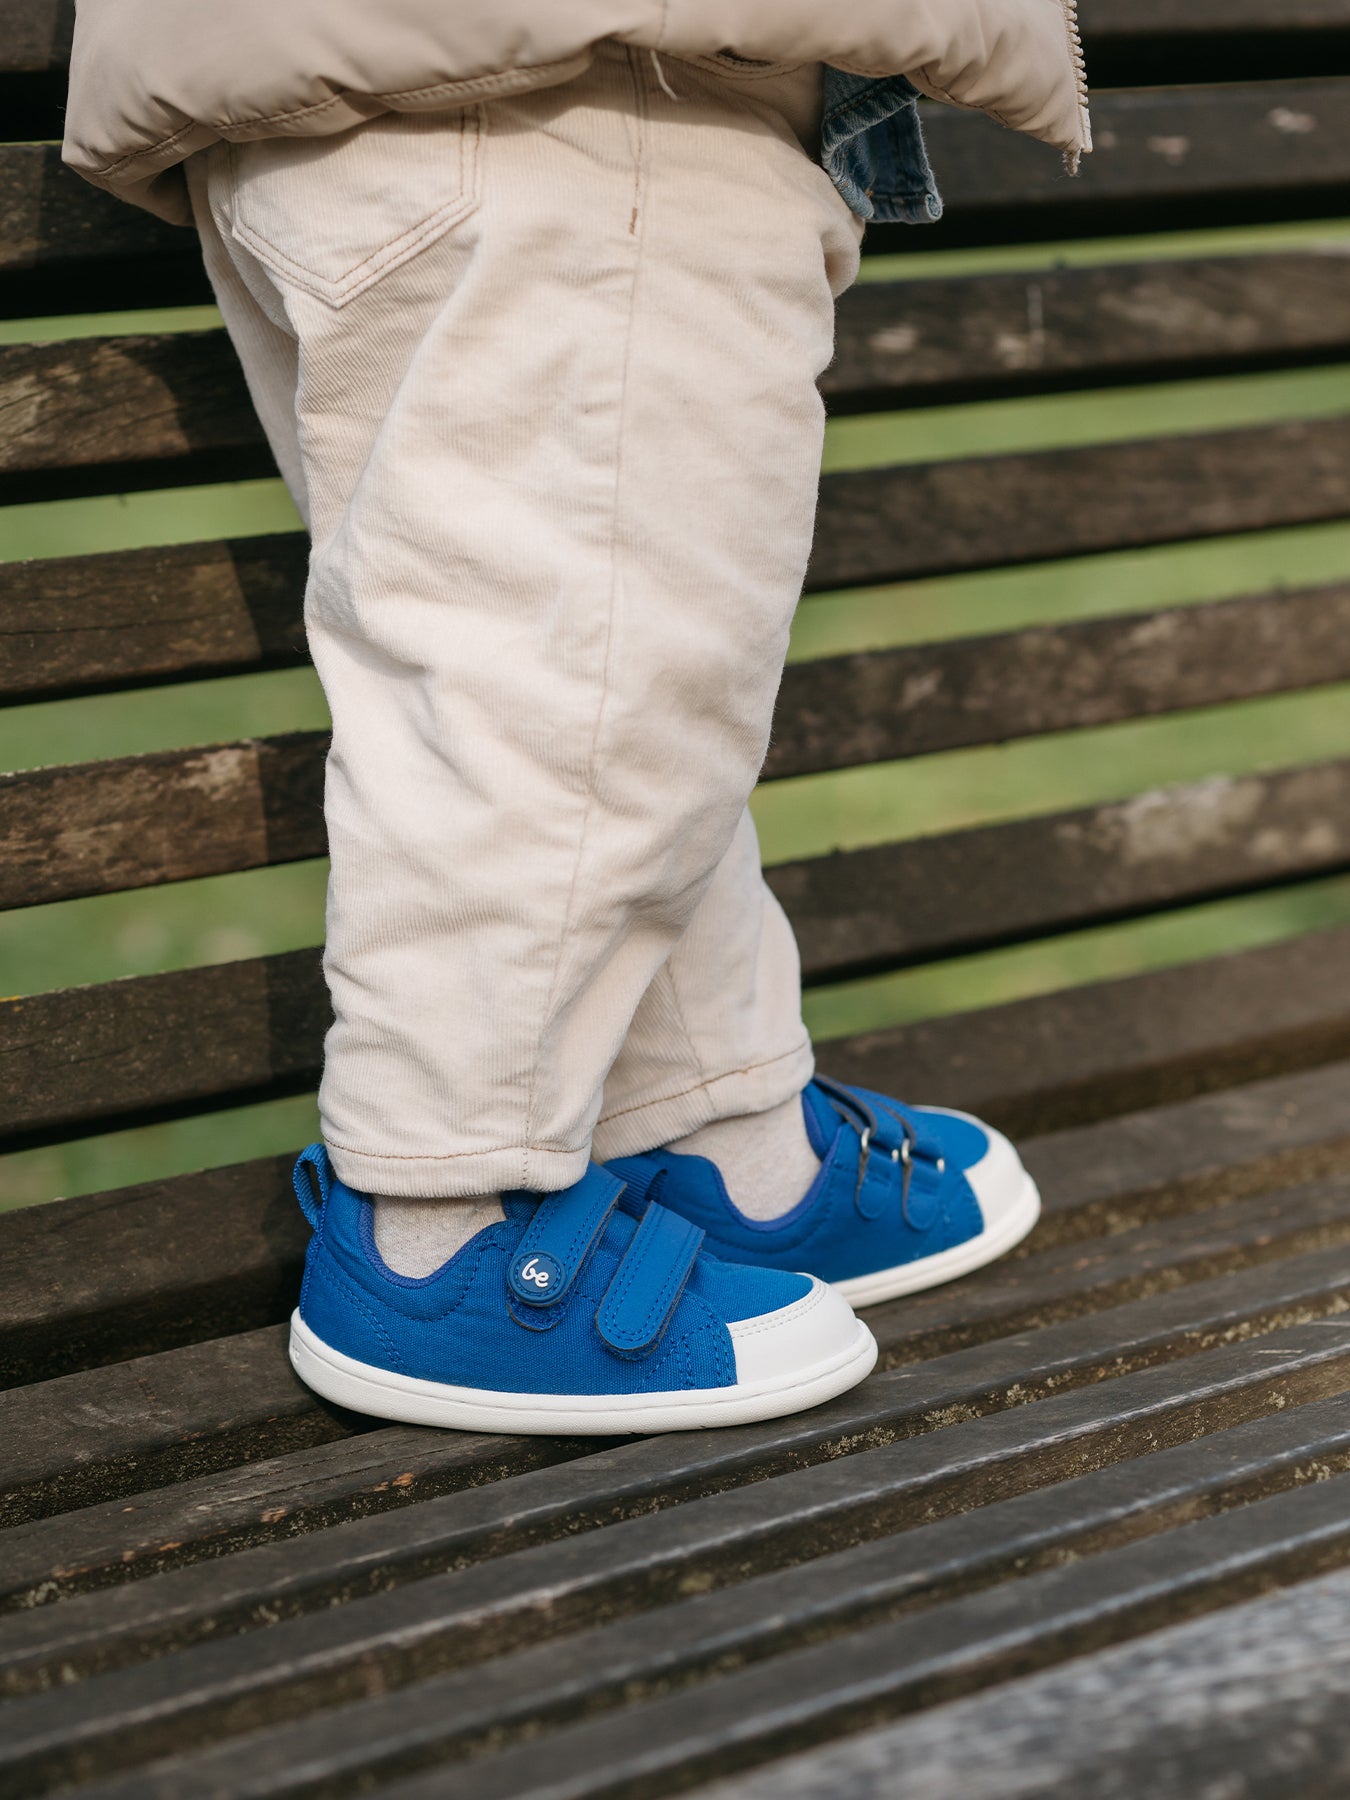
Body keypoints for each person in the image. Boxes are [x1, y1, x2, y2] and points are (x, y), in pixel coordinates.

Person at [64, 2, 1091, 1434]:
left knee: (610, 678)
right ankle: (437, 1236)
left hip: (415, 82)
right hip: (585, 77)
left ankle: (718, 1137)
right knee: (577, 685)